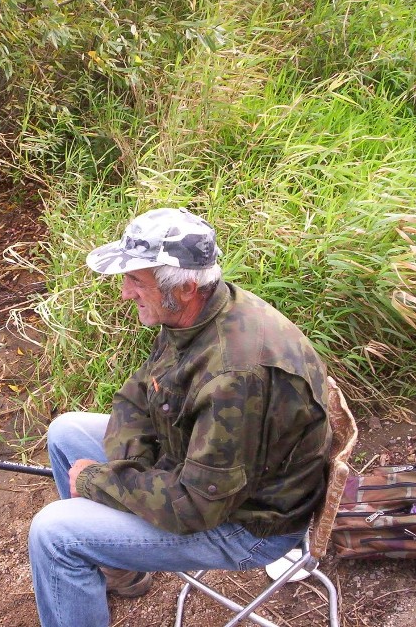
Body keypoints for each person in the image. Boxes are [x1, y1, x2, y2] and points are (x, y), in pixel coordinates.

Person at [28, 208, 332, 627]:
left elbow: (196, 506)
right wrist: (129, 465)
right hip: (209, 474)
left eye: (136, 281)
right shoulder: (199, 311)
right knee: (66, 432)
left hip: (248, 525)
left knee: (54, 534)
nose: (124, 292)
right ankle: (124, 572)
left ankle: (85, 552)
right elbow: (137, 396)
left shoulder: (235, 378)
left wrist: (100, 480)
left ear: (187, 287)